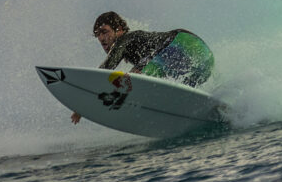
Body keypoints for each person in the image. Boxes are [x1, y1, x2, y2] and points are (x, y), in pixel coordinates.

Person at [69, 11, 216, 124]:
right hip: (204, 56)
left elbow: (105, 70)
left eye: (104, 31)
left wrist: (81, 105)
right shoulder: (137, 44)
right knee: (187, 92)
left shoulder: (125, 39)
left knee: (133, 78)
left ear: (119, 29)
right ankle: (216, 109)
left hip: (182, 42)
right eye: (97, 35)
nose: (101, 38)